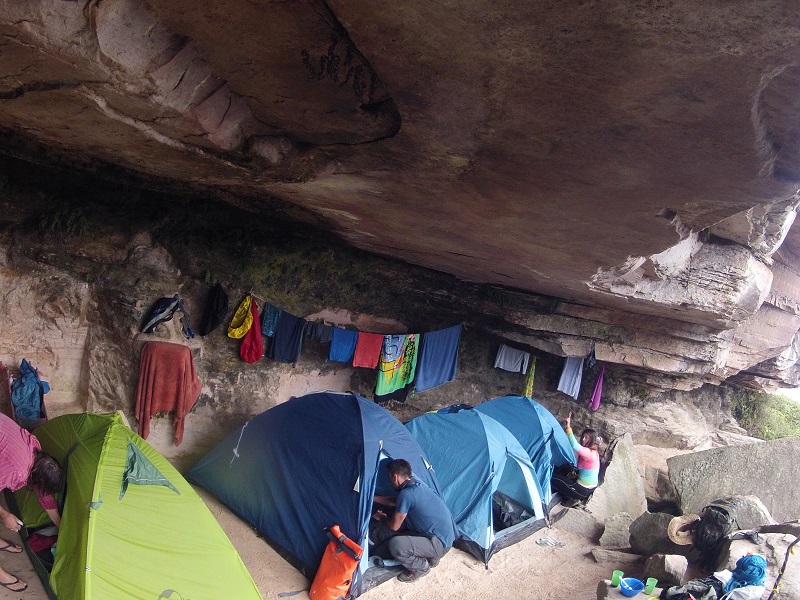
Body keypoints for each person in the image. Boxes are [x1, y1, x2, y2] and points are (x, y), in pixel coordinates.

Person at [0, 413, 64, 593]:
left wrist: (62, 528)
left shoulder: (35, 450)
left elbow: (44, 495)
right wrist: (6, 515)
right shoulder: (18, 470)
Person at [372, 459, 458, 583]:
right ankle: (432, 557)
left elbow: (394, 526)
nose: (390, 482)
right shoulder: (417, 486)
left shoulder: (406, 494)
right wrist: (372, 498)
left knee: (396, 545)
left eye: (390, 478)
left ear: (395, 477)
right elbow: (394, 501)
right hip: (446, 538)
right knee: (405, 528)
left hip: (439, 544)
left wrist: (382, 517)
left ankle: (421, 567)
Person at [550, 412, 600, 505]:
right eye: (583, 437)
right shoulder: (593, 451)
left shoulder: (590, 453)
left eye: (587, 438)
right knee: (565, 469)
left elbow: (574, 445)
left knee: (553, 479)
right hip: (585, 485)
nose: (584, 439)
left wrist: (568, 426)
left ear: (592, 439)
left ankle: (568, 499)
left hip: (583, 490)